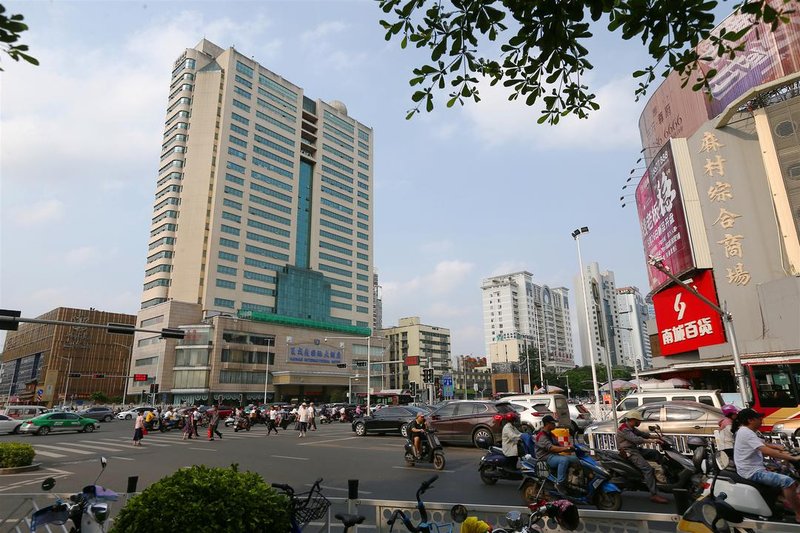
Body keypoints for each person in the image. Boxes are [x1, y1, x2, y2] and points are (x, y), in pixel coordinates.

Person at [733, 408, 800, 522]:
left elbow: (762, 443)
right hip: (752, 472)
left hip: (752, 468)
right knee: (788, 482)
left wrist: (778, 447)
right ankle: (799, 514)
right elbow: (764, 450)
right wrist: (791, 458)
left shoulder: (745, 431)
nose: (761, 420)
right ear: (750, 420)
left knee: (785, 471)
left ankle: (785, 501)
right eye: (759, 418)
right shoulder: (746, 432)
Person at [616, 411, 668, 504]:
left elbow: (643, 434)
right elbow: (636, 440)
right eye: (638, 420)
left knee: (655, 453)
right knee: (648, 469)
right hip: (629, 452)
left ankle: (665, 474)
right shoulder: (624, 429)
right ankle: (654, 494)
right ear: (632, 420)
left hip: (635, 449)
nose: (640, 422)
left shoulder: (631, 427)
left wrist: (658, 437)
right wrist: (652, 441)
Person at [535, 415, 579, 496]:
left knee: (577, 459)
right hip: (546, 458)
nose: (555, 425)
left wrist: (572, 448)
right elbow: (552, 448)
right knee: (564, 460)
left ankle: (574, 482)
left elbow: (559, 446)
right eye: (553, 423)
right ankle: (560, 483)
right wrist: (566, 448)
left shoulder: (551, 434)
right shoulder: (541, 436)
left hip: (554, 456)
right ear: (547, 424)